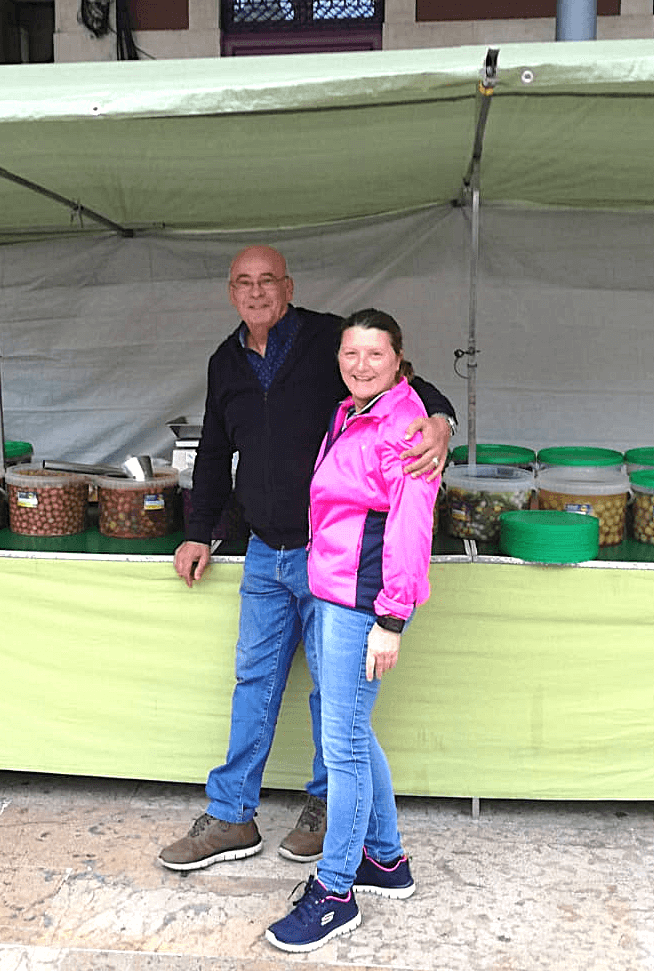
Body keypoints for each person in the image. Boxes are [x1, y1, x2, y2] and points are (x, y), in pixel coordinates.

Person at [158, 246, 456, 872]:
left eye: (268, 280)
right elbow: (214, 451)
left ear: (288, 286)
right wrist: (198, 532)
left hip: (331, 561)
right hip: (266, 551)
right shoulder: (225, 361)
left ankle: (325, 810)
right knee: (254, 683)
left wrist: (442, 424)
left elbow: (408, 381)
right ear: (231, 291)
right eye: (244, 282)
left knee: (334, 696)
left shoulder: (328, 339)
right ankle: (233, 815)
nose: (257, 291)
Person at [266, 308, 436, 953]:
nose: (360, 365)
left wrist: (391, 618)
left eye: (374, 354)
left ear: (398, 359)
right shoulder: (353, 410)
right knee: (355, 735)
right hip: (333, 592)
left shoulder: (406, 427)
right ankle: (385, 862)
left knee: (341, 748)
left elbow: (410, 529)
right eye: (350, 353)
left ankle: (335, 891)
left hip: (360, 607)